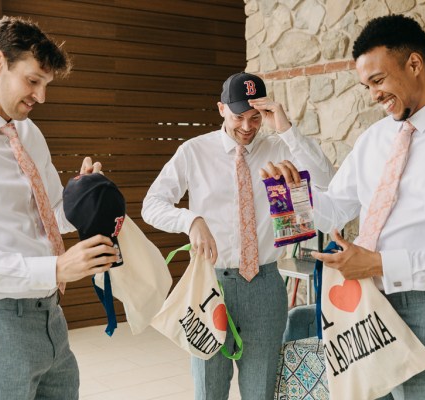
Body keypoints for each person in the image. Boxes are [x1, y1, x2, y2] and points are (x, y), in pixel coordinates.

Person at [291, 14, 425, 400]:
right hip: (361, 310)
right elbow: (330, 213)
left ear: (414, 64)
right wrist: (292, 193)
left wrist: (378, 264)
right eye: (367, 85)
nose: (373, 94)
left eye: (378, 80)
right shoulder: (373, 139)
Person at [0, 16, 119, 399]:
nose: (41, 97)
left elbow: (51, 215)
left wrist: (83, 196)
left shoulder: (28, 131)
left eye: (45, 85)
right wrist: (56, 268)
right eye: (32, 81)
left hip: (49, 318)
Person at [141, 72, 335, 399]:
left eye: (255, 117)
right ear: (221, 109)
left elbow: (327, 181)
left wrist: (287, 129)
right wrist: (190, 220)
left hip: (265, 286)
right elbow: (152, 204)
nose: (247, 126)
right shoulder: (194, 151)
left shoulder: (280, 147)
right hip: (210, 285)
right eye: (238, 117)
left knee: (260, 392)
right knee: (209, 389)